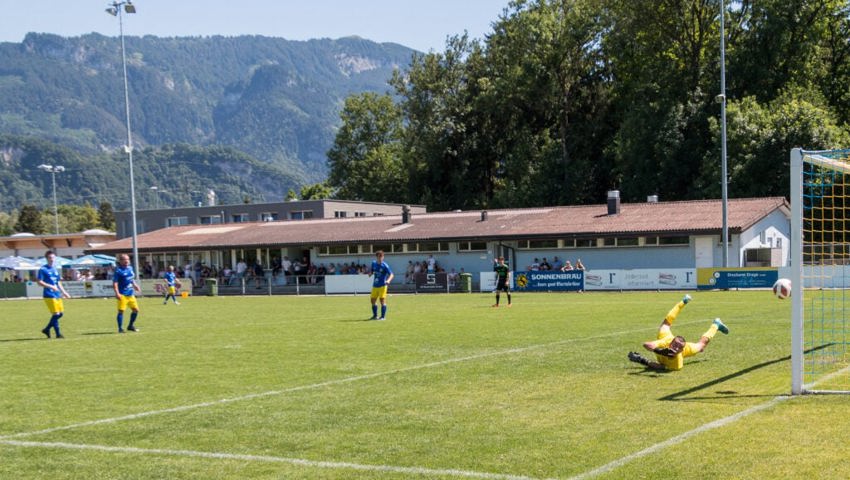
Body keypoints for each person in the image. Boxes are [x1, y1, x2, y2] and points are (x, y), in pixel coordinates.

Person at [628, 295, 729, 371]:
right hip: (666, 337)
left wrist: (642, 360)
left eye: (679, 347)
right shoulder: (666, 341)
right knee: (666, 323)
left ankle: (716, 325)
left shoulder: (677, 362)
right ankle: (683, 301)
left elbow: (661, 367)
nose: (676, 348)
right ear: (671, 343)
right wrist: (660, 351)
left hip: (684, 349)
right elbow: (646, 345)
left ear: (681, 350)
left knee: (701, 345)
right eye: (675, 344)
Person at [36, 250, 71, 339]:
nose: (52, 259)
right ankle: (56, 333)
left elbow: (58, 282)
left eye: (53, 258)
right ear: (46, 259)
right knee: (56, 314)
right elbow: (39, 282)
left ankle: (49, 330)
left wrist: (64, 292)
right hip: (48, 294)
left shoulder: (55, 269)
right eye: (50, 258)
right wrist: (50, 286)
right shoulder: (43, 269)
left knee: (60, 314)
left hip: (57, 294)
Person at [113, 253, 141, 333]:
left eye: (128, 259)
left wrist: (135, 285)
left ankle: (130, 326)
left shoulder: (130, 268)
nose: (127, 261)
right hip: (122, 294)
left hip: (130, 293)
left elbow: (131, 279)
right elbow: (115, 283)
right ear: (121, 261)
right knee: (121, 311)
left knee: (136, 310)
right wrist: (117, 293)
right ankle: (120, 328)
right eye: (125, 259)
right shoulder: (118, 271)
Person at [369, 250, 394, 320]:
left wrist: (388, 280)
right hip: (375, 285)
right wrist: (370, 273)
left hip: (382, 285)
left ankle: (383, 317)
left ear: (383, 257)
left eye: (381, 256)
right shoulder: (373, 263)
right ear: (376, 257)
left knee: (382, 300)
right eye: (378, 256)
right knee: (372, 300)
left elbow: (391, 274)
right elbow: (372, 270)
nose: (380, 258)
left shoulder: (385, 265)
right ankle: (375, 316)